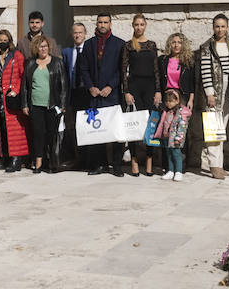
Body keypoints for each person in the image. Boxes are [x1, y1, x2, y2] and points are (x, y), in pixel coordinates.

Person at [77, 13, 125, 176]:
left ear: (110, 24)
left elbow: (122, 69)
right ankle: (101, 164)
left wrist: (111, 86)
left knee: (116, 130)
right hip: (95, 95)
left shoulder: (119, 44)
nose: (102, 25)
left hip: (112, 94)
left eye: (105, 22)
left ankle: (117, 165)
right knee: (97, 130)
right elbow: (83, 68)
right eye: (100, 22)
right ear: (96, 24)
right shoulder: (89, 44)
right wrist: (90, 87)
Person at [196, 14, 229, 181]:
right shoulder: (207, 47)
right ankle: (214, 166)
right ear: (213, 27)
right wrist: (210, 93)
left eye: (223, 26)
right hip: (215, 92)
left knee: (222, 129)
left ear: (227, 27)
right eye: (217, 26)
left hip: (228, 93)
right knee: (214, 130)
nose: (220, 29)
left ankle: (220, 165)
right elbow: (205, 71)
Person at [120, 13, 160, 176]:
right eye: (136, 24)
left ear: (145, 26)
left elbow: (156, 69)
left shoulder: (152, 45)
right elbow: (123, 70)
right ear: (132, 26)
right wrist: (126, 91)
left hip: (150, 87)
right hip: (135, 86)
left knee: (151, 124)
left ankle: (149, 160)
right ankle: (135, 161)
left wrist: (158, 90)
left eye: (141, 24)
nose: (139, 27)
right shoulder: (129, 45)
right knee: (135, 124)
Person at [23, 34, 68, 173]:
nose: (43, 49)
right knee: (38, 134)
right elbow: (25, 86)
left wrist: (63, 104)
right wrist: (24, 104)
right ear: (36, 48)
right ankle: (38, 161)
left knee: (52, 134)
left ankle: (52, 162)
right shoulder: (30, 63)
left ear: (49, 47)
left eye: (45, 46)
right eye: (40, 46)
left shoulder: (57, 62)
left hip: (53, 104)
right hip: (35, 104)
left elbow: (64, 84)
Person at [0, 29, 28, 172]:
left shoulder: (16, 55)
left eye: (5, 40)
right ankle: (4, 157)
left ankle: (16, 159)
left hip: (11, 98)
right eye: (0, 40)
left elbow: (22, 75)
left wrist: (16, 90)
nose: (2, 42)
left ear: (10, 41)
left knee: (15, 130)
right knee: (1, 129)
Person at [60, 21, 88, 169]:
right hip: (72, 94)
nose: (77, 35)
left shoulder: (89, 50)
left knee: (86, 127)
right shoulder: (66, 52)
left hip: (86, 94)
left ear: (85, 34)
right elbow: (63, 74)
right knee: (73, 128)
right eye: (75, 32)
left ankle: (88, 159)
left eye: (80, 32)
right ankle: (77, 158)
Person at [154, 88, 192, 181]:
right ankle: (170, 171)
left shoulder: (181, 113)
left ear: (177, 100)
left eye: (171, 101)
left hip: (176, 137)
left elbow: (182, 126)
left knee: (176, 154)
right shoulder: (166, 111)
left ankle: (178, 171)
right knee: (169, 154)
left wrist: (178, 138)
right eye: (167, 101)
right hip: (167, 136)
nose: (168, 103)